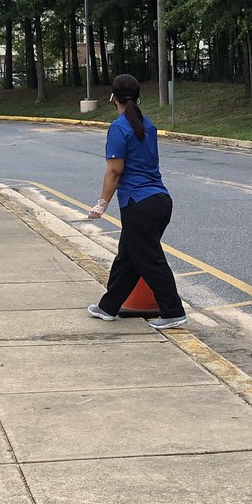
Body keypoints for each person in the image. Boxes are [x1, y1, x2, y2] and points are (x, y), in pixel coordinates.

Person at [85, 73, 187, 330]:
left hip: (139, 204)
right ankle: (109, 306)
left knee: (149, 259)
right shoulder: (148, 125)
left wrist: (102, 203)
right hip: (159, 201)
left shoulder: (119, 127)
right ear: (138, 97)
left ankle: (173, 311)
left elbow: (115, 170)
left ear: (113, 97)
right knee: (128, 257)